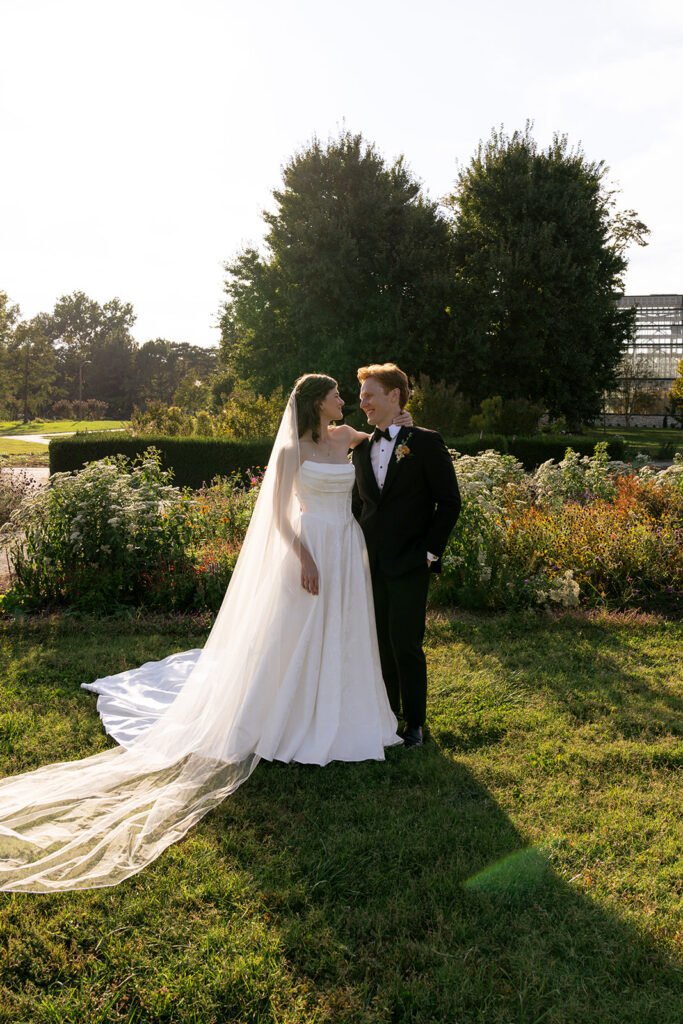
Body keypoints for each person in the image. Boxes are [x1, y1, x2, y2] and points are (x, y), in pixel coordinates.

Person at [0, 374, 411, 893]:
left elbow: (389, 440)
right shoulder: (290, 451)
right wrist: (304, 557)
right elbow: (281, 518)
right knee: (295, 636)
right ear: (315, 403)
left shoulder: (348, 435)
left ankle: (340, 707)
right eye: (335, 395)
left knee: (343, 633)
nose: (343, 401)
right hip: (310, 548)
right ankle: (289, 710)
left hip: (347, 548)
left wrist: (403, 421)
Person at [352, 363, 461, 748]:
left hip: (412, 561)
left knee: (406, 644)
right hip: (371, 563)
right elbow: (359, 506)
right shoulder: (360, 447)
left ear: (394, 395)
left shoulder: (426, 442)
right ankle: (388, 715)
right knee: (379, 642)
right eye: (362, 396)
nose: (362, 402)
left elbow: (449, 503)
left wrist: (430, 553)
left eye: (369, 395)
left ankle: (415, 721)